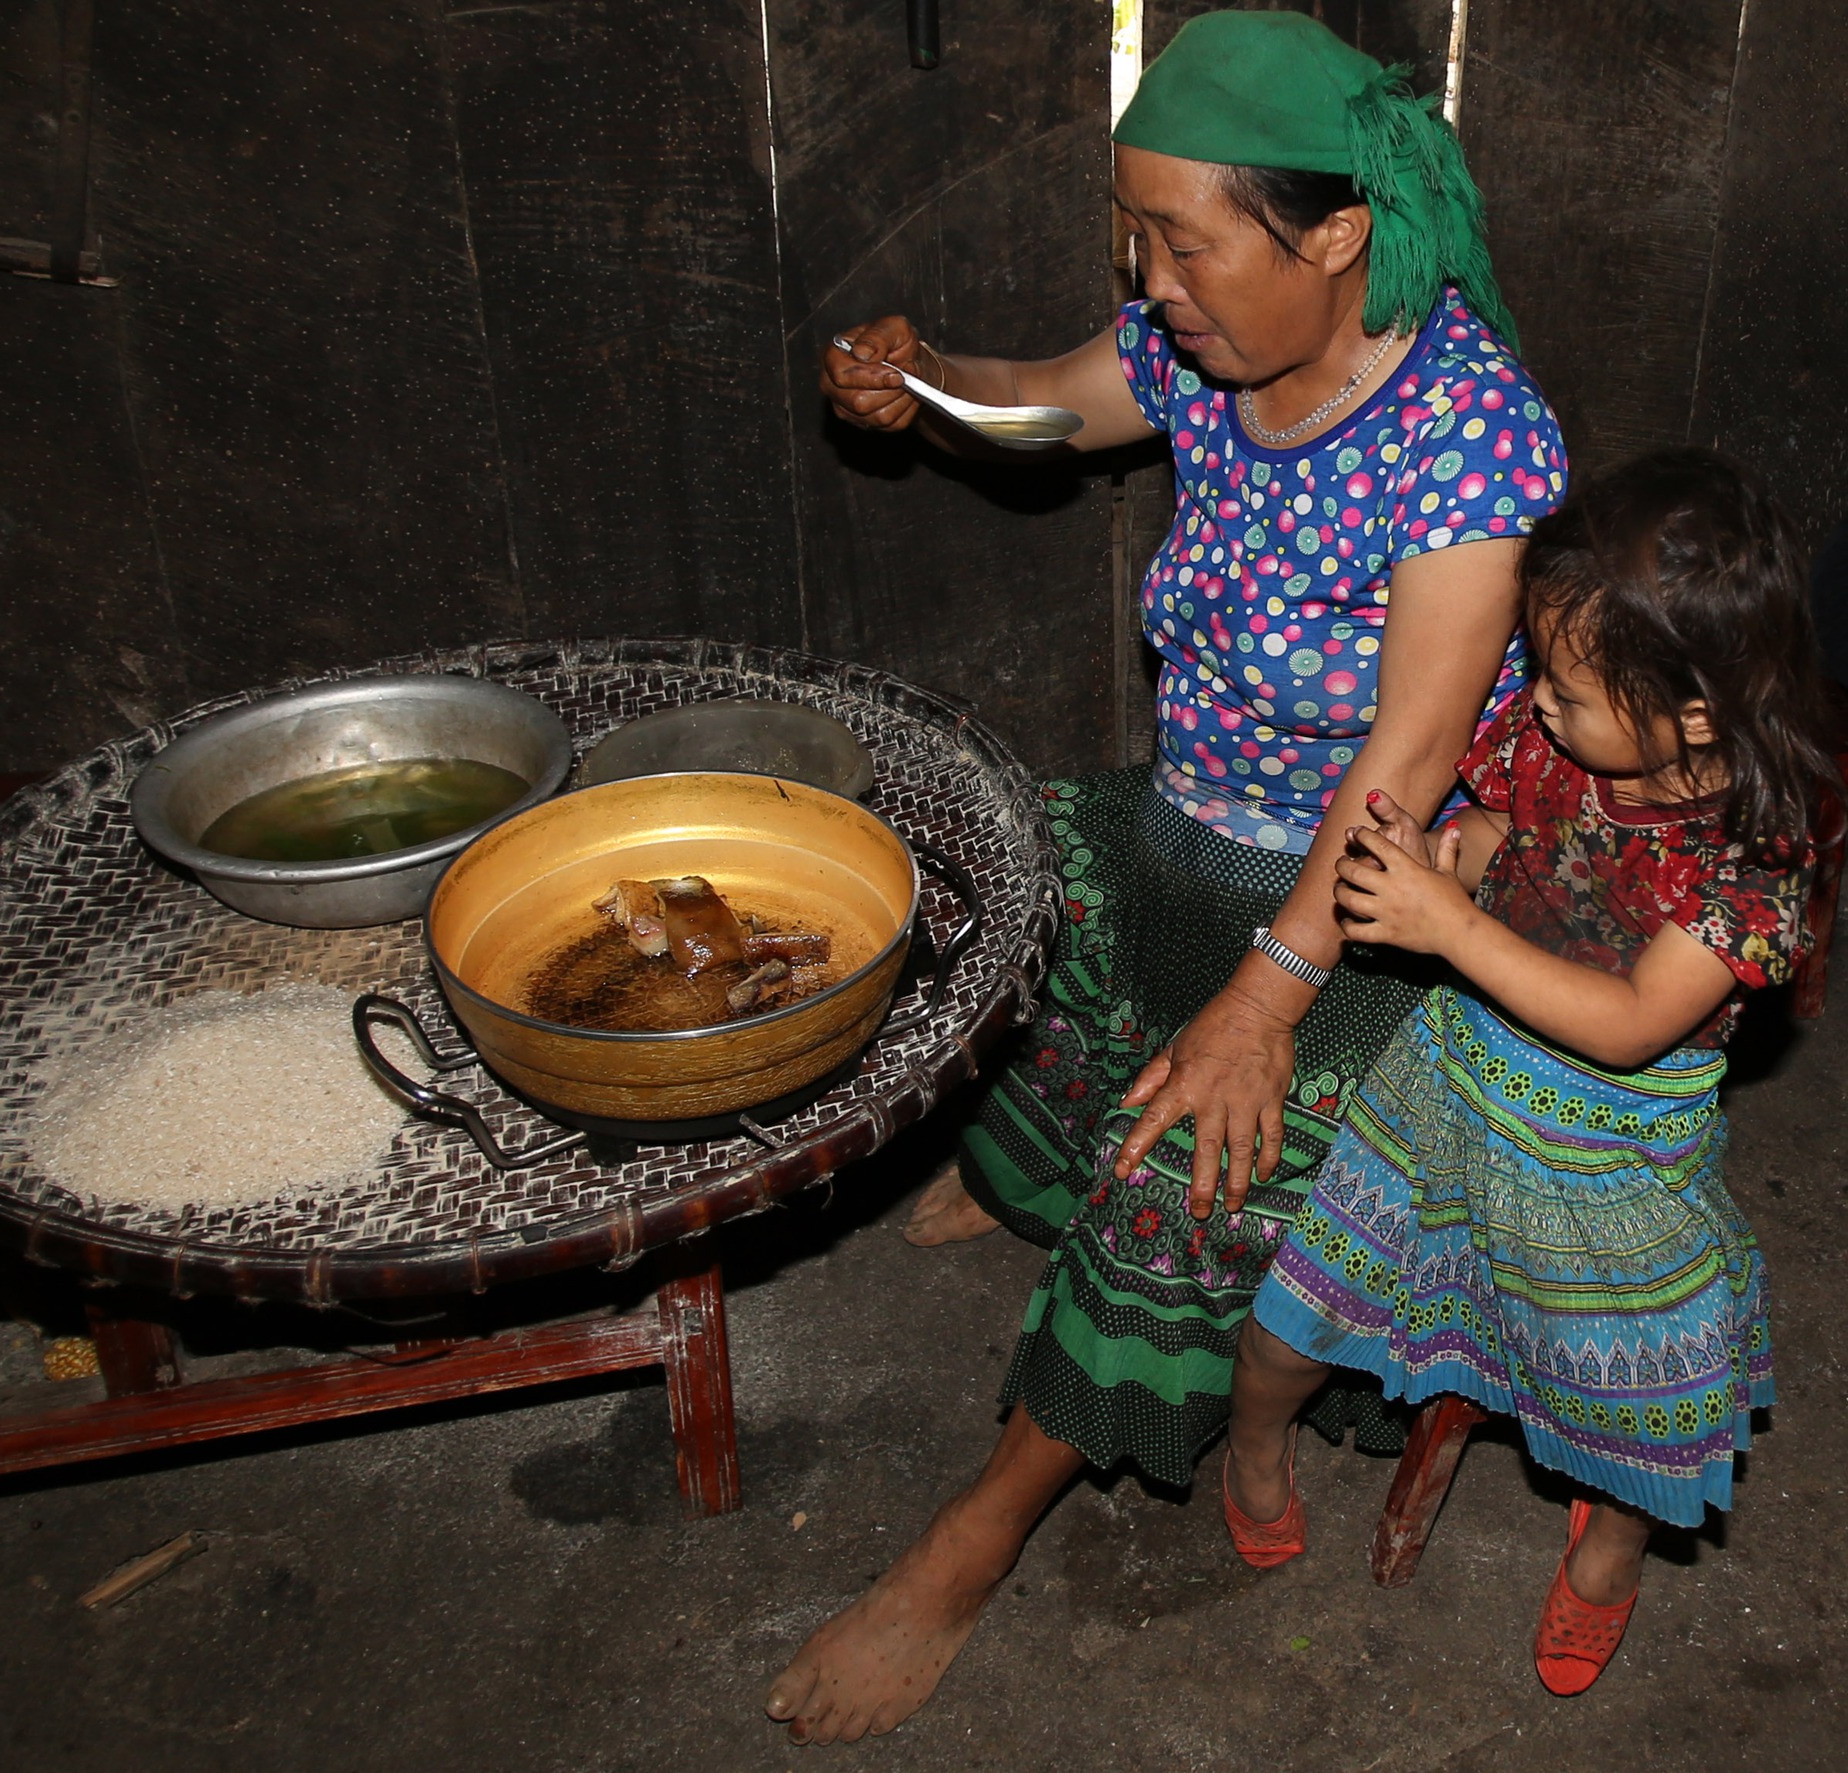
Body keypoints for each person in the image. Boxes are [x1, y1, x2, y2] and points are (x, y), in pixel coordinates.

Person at [769, 11, 1569, 1745]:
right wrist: (914, 385)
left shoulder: (1470, 438)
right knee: (993, 862)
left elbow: (1406, 769)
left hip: (1370, 911)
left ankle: (970, 1544)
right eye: (1135, 238)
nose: (1154, 280)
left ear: (1335, 233)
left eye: (1183, 240)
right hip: (1194, 818)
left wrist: (1262, 1007)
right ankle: (1034, 1159)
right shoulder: (1206, 350)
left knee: (1190, 1159)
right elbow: (1048, 408)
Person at [1230, 448, 1833, 1695]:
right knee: (1296, 1308)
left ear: (1700, 709)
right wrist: (1444, 855)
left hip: (1608, 1153)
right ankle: (1249, 1441)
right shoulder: (1563, 739)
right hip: (1449, 1084)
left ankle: (1609, 1550)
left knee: (1655, 1399)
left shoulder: (1747, 859)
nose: (1540, 704)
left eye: (1569, 685)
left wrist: (1451, 927)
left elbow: (1624, 1023)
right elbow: (1510, 827)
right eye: (1542, 672)